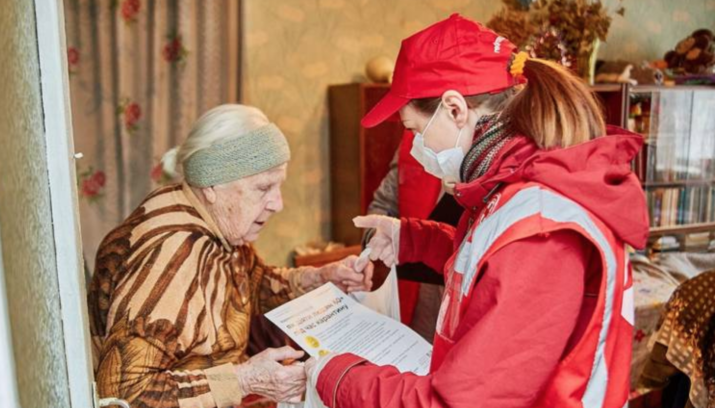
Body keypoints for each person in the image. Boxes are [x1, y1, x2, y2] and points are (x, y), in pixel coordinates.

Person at [307, 14, 648, 408]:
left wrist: (334, 375)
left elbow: (457, 403)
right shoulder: (514, 186)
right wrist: (412, 239)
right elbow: (487, 266)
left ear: (454, 109)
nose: (416, 149)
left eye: (415, 130)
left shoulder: (541, 229)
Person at [87, 104, 373, 408]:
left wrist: (320, 277)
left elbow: (252, 283)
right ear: (212, 185)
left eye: (278, 186)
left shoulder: (208, 219)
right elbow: (122, 393)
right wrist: (244, 379)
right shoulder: (172, 256)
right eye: (264, 188)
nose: (278, 203)